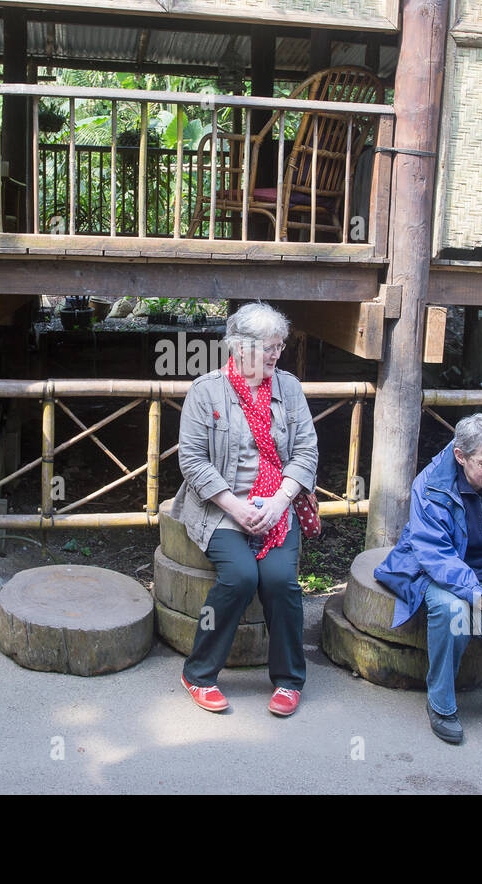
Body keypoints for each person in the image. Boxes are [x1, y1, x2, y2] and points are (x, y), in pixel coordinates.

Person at [168, 302, 318, 716]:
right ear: (240, 348)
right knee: (239, 577)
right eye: (269, 348)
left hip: (276, 503)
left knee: (281, 582)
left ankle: (289, 681)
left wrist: (280, 501)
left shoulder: (289, 389)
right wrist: (235, 506)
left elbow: (306, 451)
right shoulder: (207, 391)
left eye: (280, 347)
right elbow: (192, 460)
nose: (276, 355)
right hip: (221, 507)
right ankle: (198, 673)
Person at [374, 414, 482, 745]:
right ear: (460, 456)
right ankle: (441, 704)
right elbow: (435, 554)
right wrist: (477, 596)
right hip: (441, 572)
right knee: (453, 612)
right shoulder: (431, 485)